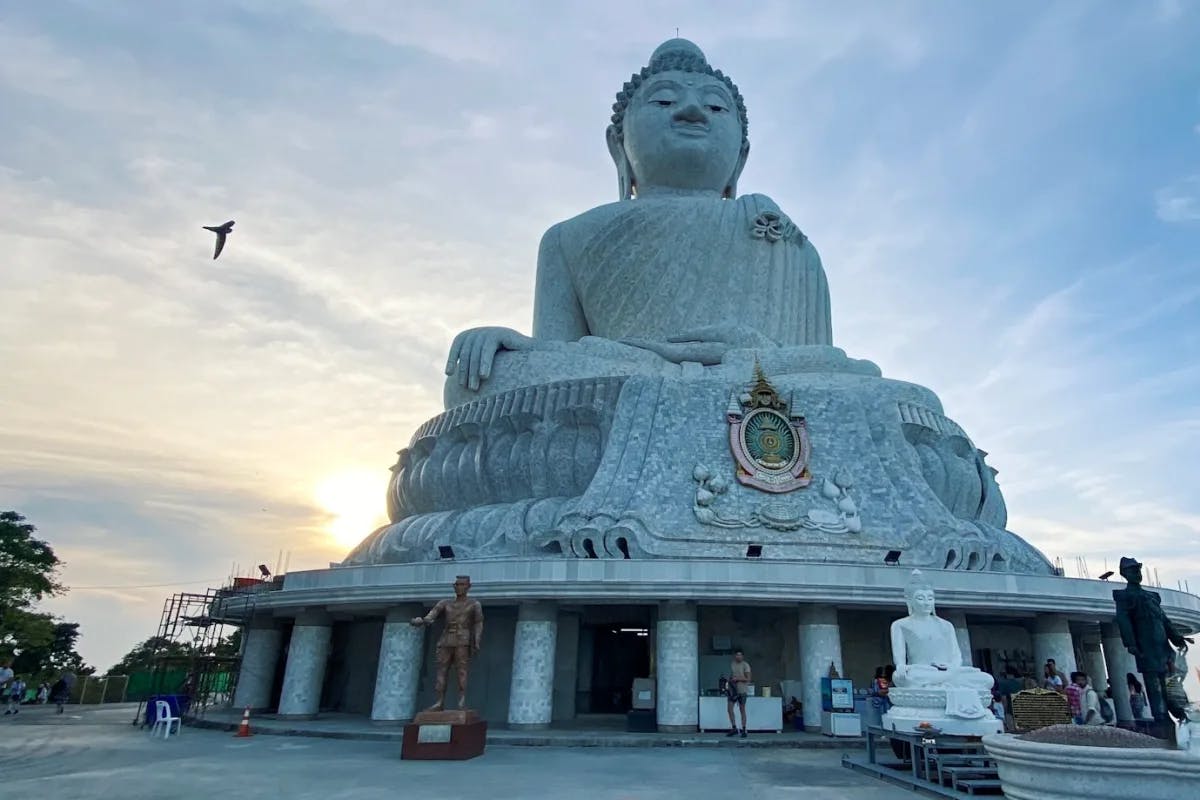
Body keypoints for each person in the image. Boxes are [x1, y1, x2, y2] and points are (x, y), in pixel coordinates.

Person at [410, 575, 485, 712]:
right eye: (457, 584)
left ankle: (461, 702)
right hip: (446, 640)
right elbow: (431, 615)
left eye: (462, 584)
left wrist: (477, 640)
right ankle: (439, 702)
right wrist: (422, 620)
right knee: (441, 671)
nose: (459, 587)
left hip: (463, 640)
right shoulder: (445, 603)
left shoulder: (474, 604)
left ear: (468, 587)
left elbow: (478, 622)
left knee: (461, 672)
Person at [726, 649, 751, 738]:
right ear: (735, 656)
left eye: (740, 655)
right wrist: (730, 681)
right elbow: (732, 675)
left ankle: (744, 729)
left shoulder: (745, 665)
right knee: (729, 709)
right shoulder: (732, 664)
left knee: (742, 710)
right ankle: (734, 728)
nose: (738, 657)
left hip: (742, 690)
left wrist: (738, 679)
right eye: (737, 655)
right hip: (733, 690)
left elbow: (748, 679)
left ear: (742, 656)